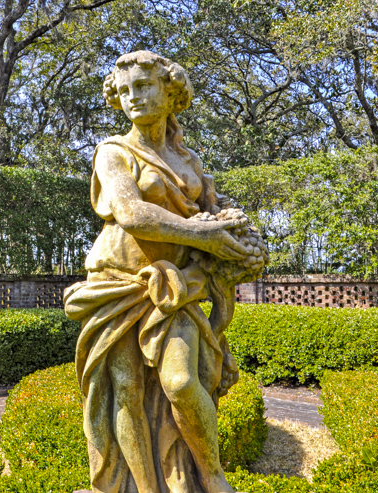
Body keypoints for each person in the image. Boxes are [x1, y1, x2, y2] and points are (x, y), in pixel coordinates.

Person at [64, 51, 256, 493]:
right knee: (125, 389)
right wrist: (203, 235)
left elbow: (215, 214)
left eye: (144, 86)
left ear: (170, 93)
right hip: (118, 281)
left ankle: (212, 477)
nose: (133, 97)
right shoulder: (113, 151)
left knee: (181, 382)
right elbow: (131, 214)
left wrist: (235, 235)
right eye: (125, 90)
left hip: (176, 286)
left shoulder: (190, 161)